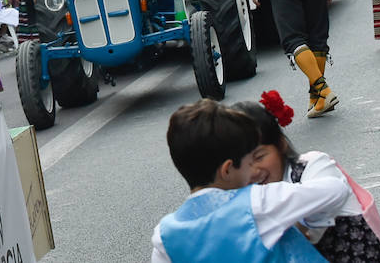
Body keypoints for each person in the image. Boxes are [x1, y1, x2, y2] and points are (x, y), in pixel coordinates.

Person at [151, 99, 353, 263]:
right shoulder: (257, 202)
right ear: (228, 169)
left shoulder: (164, 235)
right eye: (248, 163)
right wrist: (306, 224)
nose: (253, 172)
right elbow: (335, 190)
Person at [233, 98, 380, 262]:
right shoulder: (243, 196)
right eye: (242, 165)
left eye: (259, 157)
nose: (253, 171)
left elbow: (335, 190)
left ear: (281, 145)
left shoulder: (312, 166)